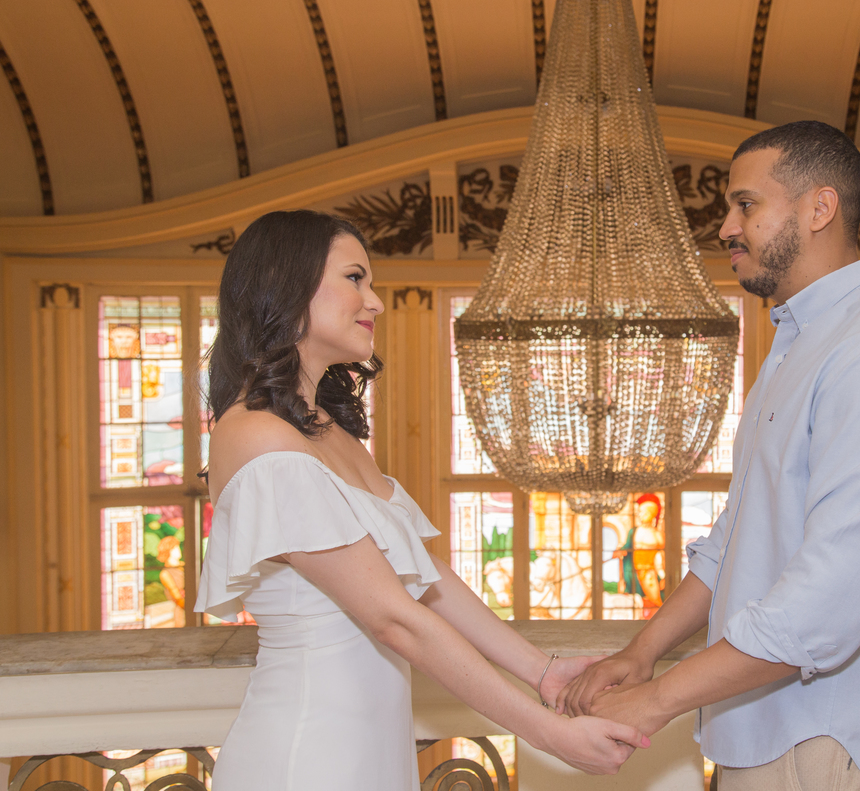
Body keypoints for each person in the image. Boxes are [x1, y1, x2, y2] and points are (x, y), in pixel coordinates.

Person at [558, 121, 860, 791]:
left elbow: (829, 604)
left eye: (745, 205)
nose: (726, 227)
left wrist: (657, 698)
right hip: (763, 733)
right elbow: (733, 542)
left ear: (819, 208)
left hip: (828, 743)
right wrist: (642, 655)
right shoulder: (800, 344)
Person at [195, 210, 648, 790]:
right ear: (288, 284)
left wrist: (544, 674)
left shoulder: (327, 429)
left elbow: (424, 575)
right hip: (306, 758)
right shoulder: (255, 432)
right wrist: (545, 732)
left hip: (370, 752)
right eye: (356, 278)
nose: (375, 302)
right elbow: (394, 619)